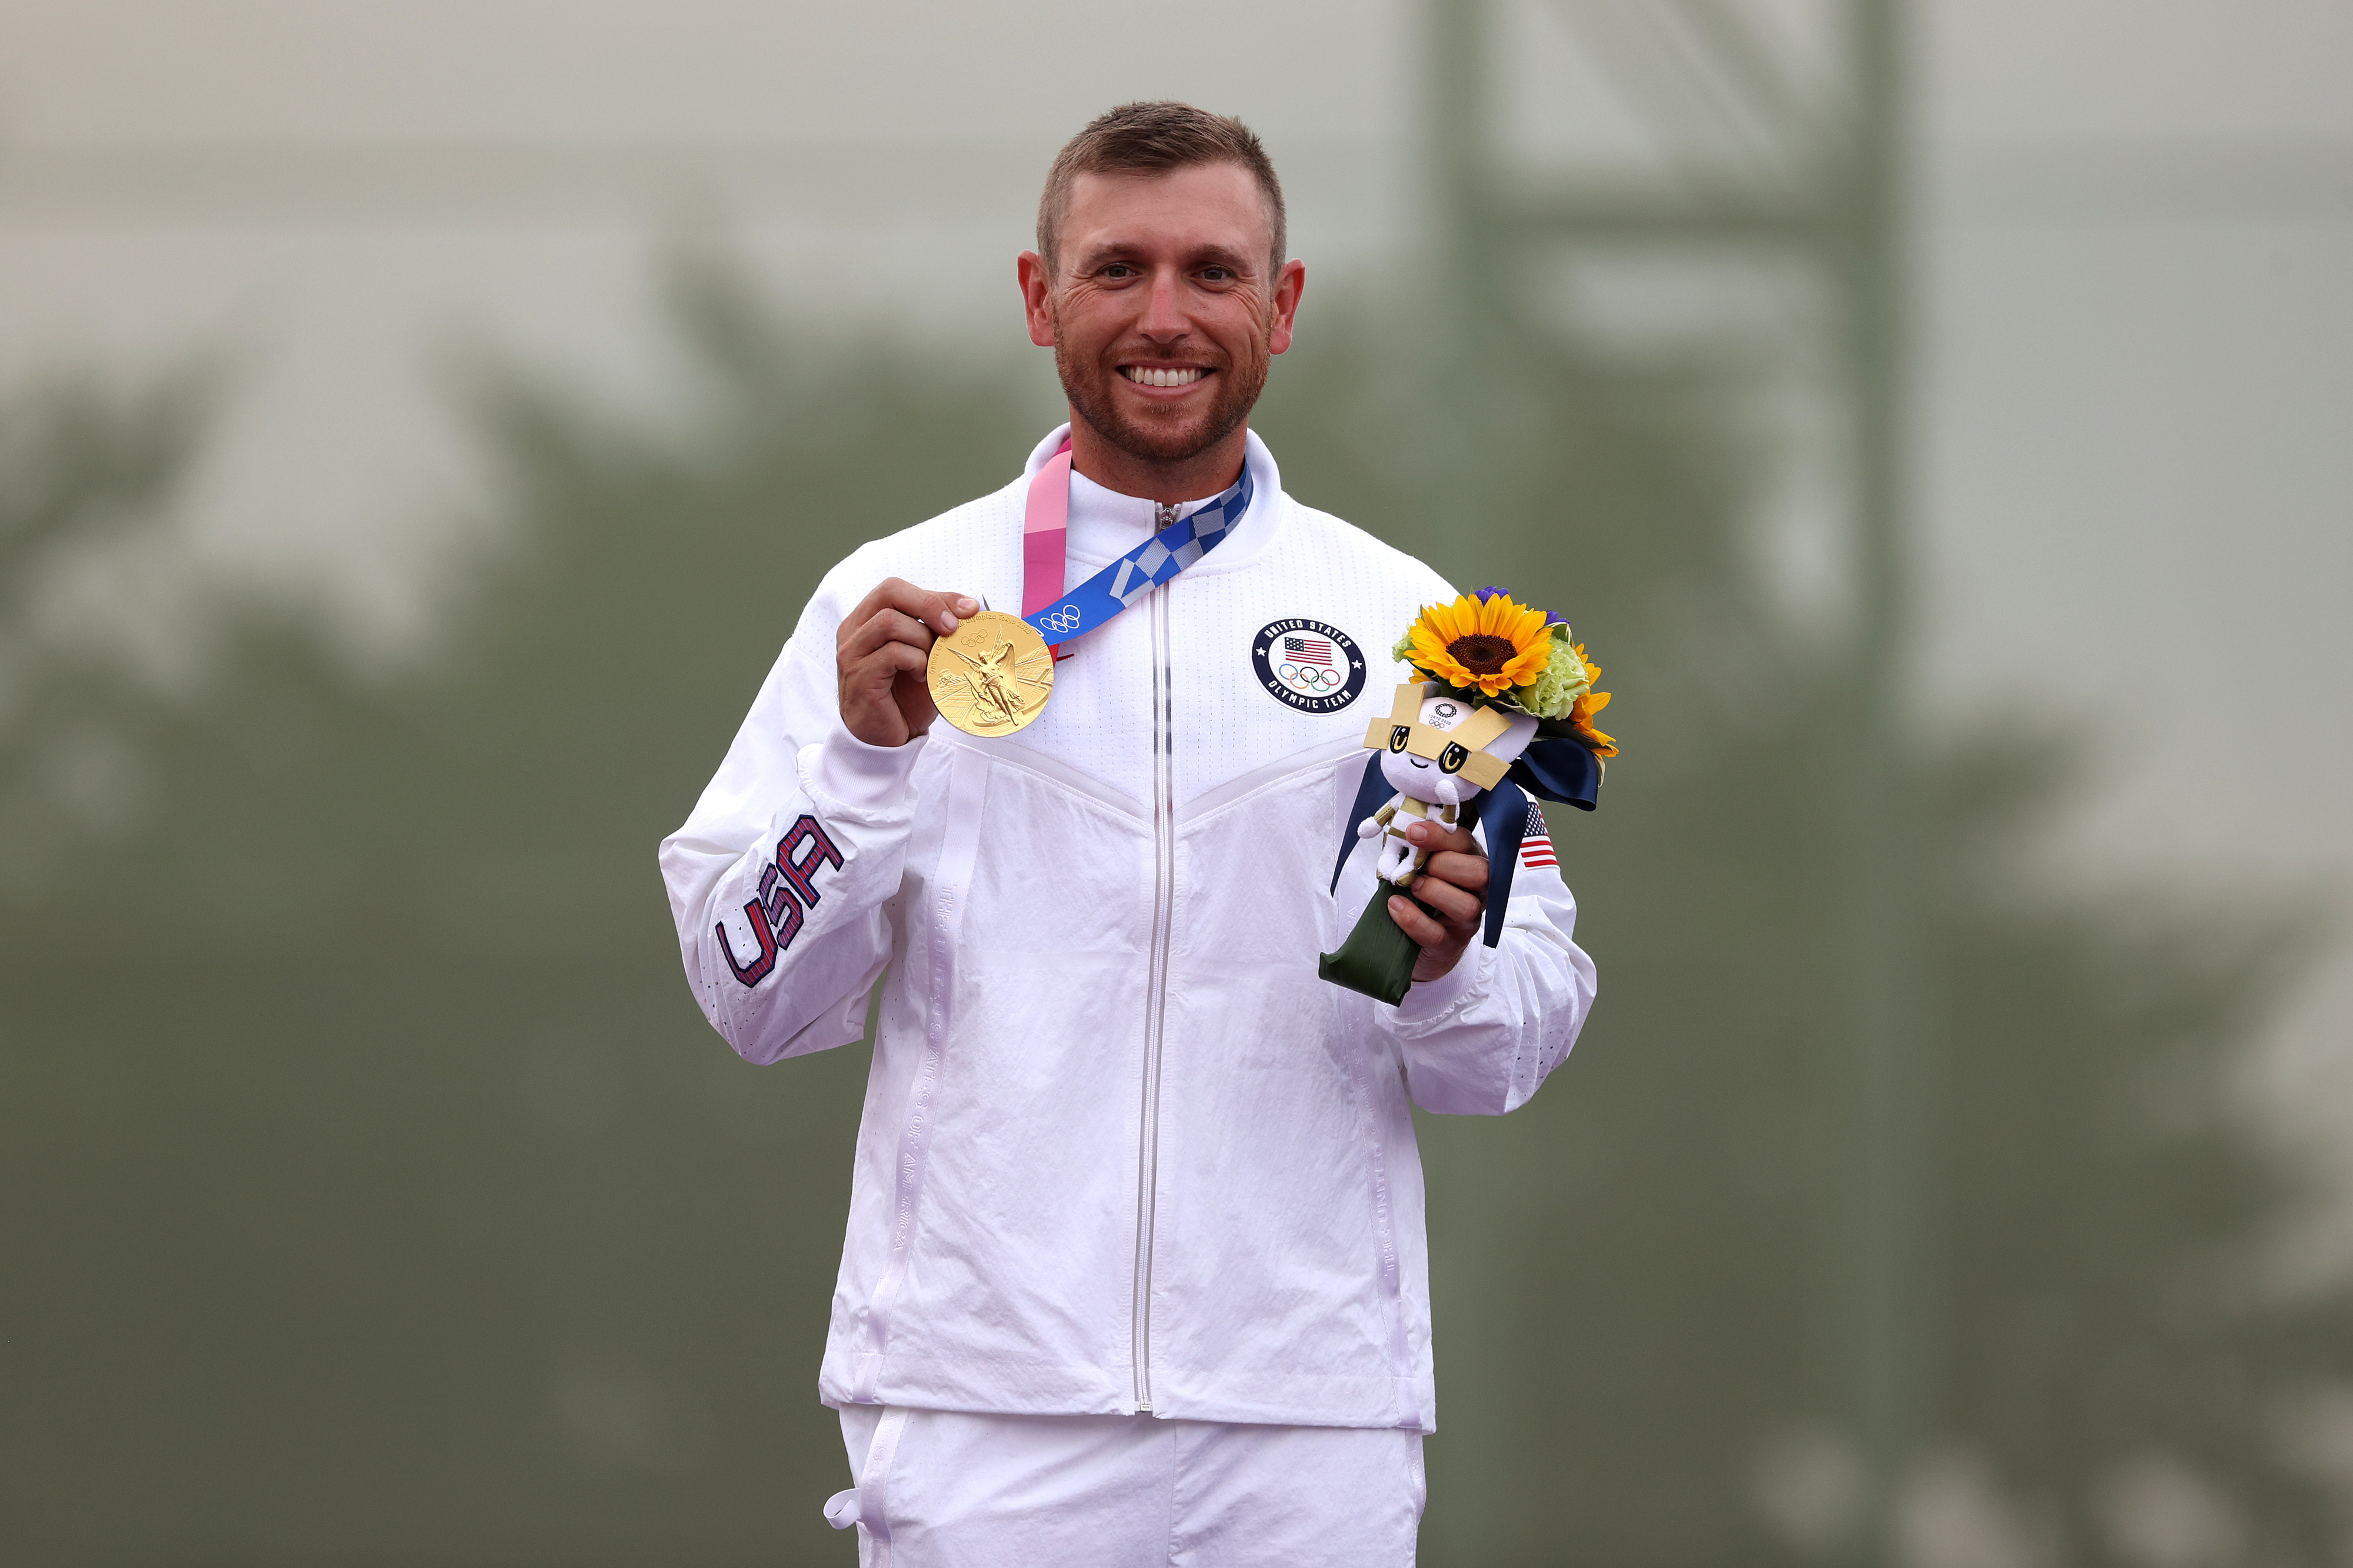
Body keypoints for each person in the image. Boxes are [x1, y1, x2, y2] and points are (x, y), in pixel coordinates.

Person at [659, 101, 1596, 1567]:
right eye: (1117, 270)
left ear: (1279, 307)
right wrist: (858, 764)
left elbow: (1511, 1042)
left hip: (1307, 1416)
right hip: (985, 1406)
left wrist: (1449, 967)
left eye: (1212, 273)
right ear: (1040, 298)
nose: (1165, 315)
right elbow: (748, 993)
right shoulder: (894, 600)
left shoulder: (1412, 625)